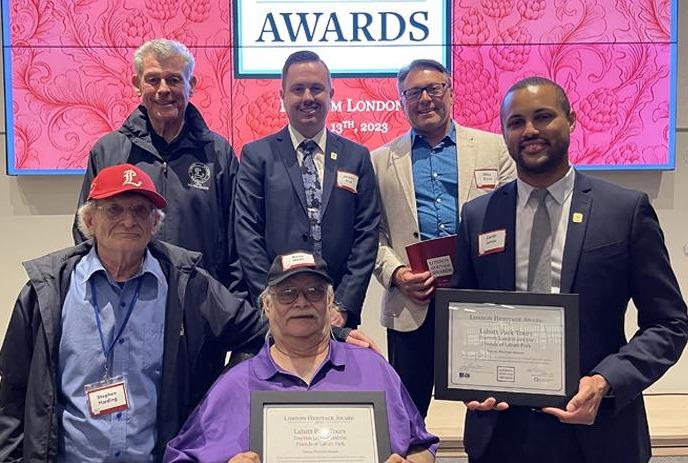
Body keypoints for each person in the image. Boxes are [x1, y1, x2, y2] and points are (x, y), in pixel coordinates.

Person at [454, 76, 688, 463]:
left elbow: (669, 323)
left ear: (572, 120)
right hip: (501, 434)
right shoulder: (478, 216)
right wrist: (466, 378)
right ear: (504, 133)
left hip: (599, 429)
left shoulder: (624, 211)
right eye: (516, 122)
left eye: (543, 117)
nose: (530, 130)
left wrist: (605, 382)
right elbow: (462, 316)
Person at [0, 164, 267, 462]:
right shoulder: (47, 290)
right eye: (114, 210)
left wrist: (221, 397)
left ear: (155, 224)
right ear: (89, 221)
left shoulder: (188, 284)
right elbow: (13, 392)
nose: (128, 220)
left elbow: (258, 333)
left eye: (141, 211)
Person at [164, 251, 438, 463]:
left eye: (314, 292)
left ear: (330, 304)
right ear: (267, 306)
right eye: (287, 293)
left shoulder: (375, 369)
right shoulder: (234, 385)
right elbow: (178, 456)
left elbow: (423, 445)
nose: (302, 302)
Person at [371, 59, 515, 416]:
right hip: (412, 301)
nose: (425, 99)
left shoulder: (495, 150)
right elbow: (370, 234)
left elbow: (516, 219)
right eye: (413, 92)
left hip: (479, 300)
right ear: (401, 102)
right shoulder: (378, 160)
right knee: (406, 414)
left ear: (450, 92)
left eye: (434, 88)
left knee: (490, 408)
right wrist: (397, 275)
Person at [73, 39, 242, 293]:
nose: (163, 89)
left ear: (191, 85)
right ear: (137, 85)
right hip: (125, 298)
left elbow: (236, 241)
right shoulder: (108, 152)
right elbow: (85, 231)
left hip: (202, 302)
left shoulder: (218, 153)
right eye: (153, 80)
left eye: (174, 80)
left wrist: (231, 303)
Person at [235, 50, 380, 329]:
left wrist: (344, 306)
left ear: (331, 93)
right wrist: (270, 302)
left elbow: (366, 234)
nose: (308, 98)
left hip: (336, 310)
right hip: (278, 310)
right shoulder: (257, 156)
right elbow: (247, 233)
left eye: (316, 88)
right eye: (297, 89)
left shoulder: (357, 156)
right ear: (282, 96)